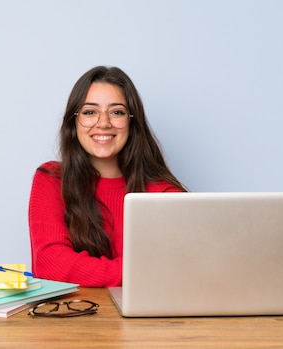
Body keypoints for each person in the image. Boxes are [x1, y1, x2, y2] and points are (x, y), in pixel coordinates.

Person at [28, 66, 187, 287]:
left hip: (148, 320)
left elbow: (184, 267)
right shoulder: (52, 179)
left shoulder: (165, 194)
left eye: (117, 112)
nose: (103, 123)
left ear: (132, 122)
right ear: (74, 122)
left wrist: (87, 272)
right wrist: (140, 272)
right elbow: (51, 265)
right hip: (76, 317)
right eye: (90, 112)